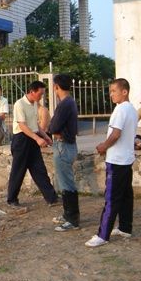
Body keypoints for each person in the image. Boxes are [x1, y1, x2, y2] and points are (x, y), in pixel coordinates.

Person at [86, 78, 137, 247]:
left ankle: (103, 235)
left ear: (125, 91)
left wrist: (103, 146)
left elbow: (115, 134)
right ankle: (125, 228)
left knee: (112, 198)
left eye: (114, 91)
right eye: (110, 91)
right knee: (125, 196)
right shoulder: (132, 109)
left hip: (116, 160)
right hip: (126, 159)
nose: (111, 94)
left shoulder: (121, 110)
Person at [6, 81, 58, 207]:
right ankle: (12, 199)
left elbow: (36, 125)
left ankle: (51, 198)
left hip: (33, 138)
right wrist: (37, 139)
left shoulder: (35, 104)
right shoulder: (20, 104)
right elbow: (22, 125)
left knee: (39, 169)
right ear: (32, 92)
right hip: (21, 140)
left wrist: (46, 137)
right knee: (18, 171)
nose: (41, 96)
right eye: (40, 94)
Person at [48, 74, 79, 232]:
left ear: (56, 87)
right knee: (65, 183)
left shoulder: (65, 104)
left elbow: (52, 127)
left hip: (64, 146)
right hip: (67, 145)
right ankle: (68, 215)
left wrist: (53, 127)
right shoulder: (70, 102)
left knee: (67, 184)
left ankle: (72, 219)